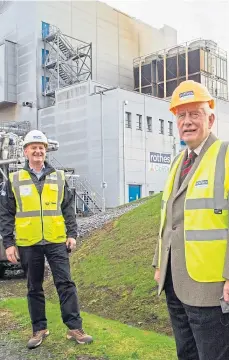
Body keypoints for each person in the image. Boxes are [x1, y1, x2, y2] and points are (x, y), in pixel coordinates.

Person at [153, 80, 229, 360]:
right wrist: (159, 264)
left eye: (194, 114)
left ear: (210, 118)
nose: (187, 122)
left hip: (210, 288)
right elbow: (167, 217)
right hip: (175, 281)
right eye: (181, 115)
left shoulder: (226, 155)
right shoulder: (177, 162)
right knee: (186, 353)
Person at [0, 130, 93, 349]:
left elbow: (68, 208)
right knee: (34, 286)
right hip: (28, 242)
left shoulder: (58, 177)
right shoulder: (14, 180)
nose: (38, 151)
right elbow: (5, 213)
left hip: (55, 240)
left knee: (66, 284)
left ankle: (74, 328)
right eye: (33, 147)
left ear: (45, 151)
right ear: (25, 151)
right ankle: (39, 329)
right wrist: (9, 243)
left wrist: (72, 234)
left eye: (41, 147)